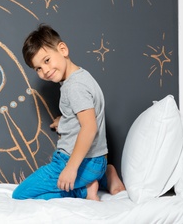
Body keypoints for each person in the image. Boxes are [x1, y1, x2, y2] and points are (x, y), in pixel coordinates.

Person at [12, 24, 125, 201]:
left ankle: (84, 190)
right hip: (98, 162)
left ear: (62, 49)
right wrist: (64, 121)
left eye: (46, 60)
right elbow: (84, 115)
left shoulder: (74, 87)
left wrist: (70, 168)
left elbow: (89, 127)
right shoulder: (81, 77)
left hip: (77, 162)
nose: (45, 71)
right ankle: (105, 174)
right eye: (38, 68)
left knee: (21, 194)